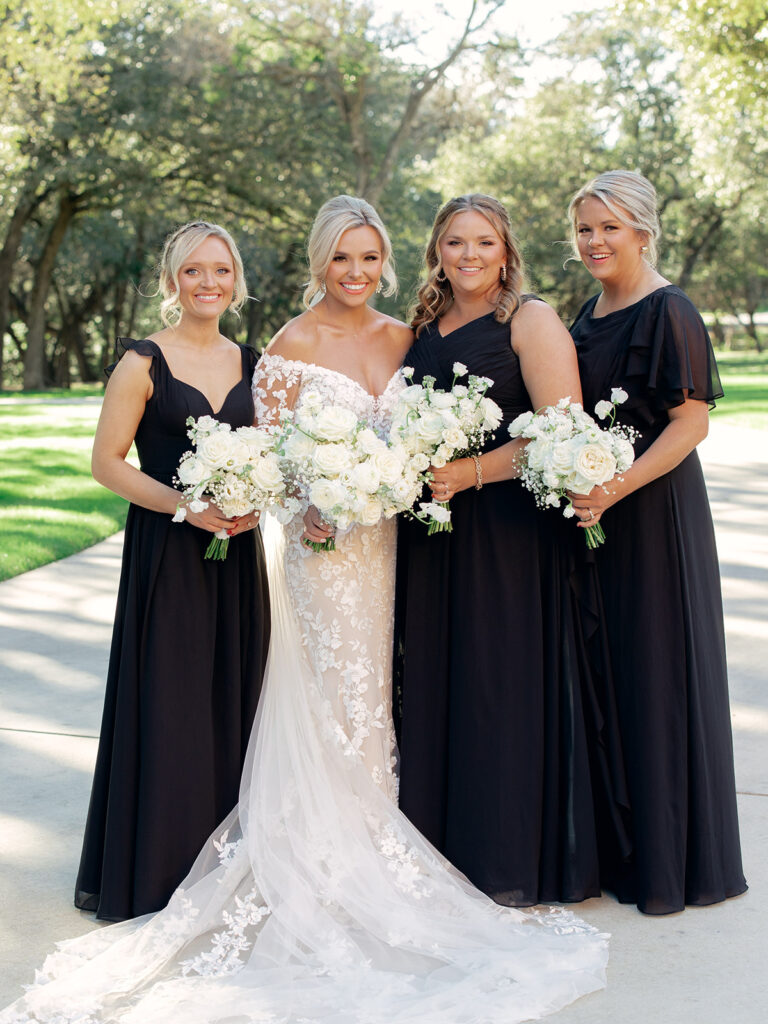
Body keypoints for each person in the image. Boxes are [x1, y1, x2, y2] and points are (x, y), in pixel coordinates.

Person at [1, 197, 607, 1024]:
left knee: (394, 694)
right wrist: (307, 508)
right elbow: (276, 462)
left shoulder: (409, 339)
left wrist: (403, 478)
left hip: (405, 552)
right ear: (318, 261)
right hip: (325, 558)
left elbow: (433, 438)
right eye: (339, 258)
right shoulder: (283, 350)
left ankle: (387, 838)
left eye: (367, 258)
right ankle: (324, 858)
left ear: (387, 261)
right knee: (333, 696)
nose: (353, 273)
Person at [395, 193, 624, 907]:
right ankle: (442, 852)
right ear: (437, 250)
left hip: (507, 536)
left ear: (506, 252)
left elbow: (560, 432)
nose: (468, 256)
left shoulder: (531, 319)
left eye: (484, 244)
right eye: (455, 243)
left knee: (499, 684)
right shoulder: (424, 324)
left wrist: (468, 471)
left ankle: (510, 856)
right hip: (432, 533)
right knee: (436, 677)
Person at [74, 221, 270, 921]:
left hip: (235, 557)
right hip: (168, 556)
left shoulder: (256, 362)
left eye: (220, 269)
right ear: (172, 282)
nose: (208, 282)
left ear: (236, 280)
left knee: (231, 697)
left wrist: (253, 501)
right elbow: (106, 464)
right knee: (171, 701)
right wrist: (187, 508)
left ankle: (225, 865)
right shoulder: (141, 362)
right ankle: (157, 865)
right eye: (193, 271)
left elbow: (274, 456)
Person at [567, 169, 747, 914]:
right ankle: (619, 847)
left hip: (652, 514)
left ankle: (672, 862)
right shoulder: (588, 309)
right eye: (584, 228)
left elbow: (690, 422)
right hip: (593, 517)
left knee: (656, 674)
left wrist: (616, 486)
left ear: (643, 229)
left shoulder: (670, 310)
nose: (596, 241)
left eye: (610, 226)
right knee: (608, 672)